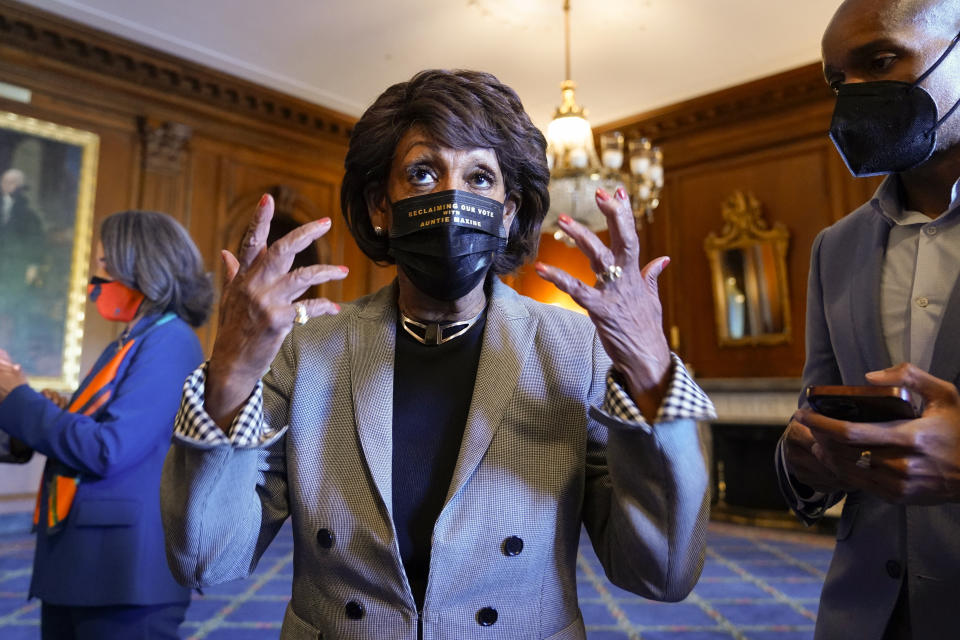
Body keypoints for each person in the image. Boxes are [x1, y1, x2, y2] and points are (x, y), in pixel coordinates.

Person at [161, 69, 716, 639]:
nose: (453, 198)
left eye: (480, 177)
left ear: (506, 212)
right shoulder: (309, 352)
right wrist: (231, 373)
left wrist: (652, 371)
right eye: (423, 173)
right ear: (381, 204)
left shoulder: (574, 349)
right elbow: (207, 559)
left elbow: (663, 574)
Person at [776, 1, 960, 638]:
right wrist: (803, 460)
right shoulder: (836, 246)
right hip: (865, 615)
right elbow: (816, 403)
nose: (851, 96)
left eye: (880, 62)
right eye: (836, 82)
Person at [0, 210, 213, 639]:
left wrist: (18, 396)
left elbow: (109, 448)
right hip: (82, 566)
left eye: (103, 267)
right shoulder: (130, 341)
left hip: (122, 574)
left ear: (142, 266)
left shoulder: (171, 340)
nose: (95, 283)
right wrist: (47, 409)